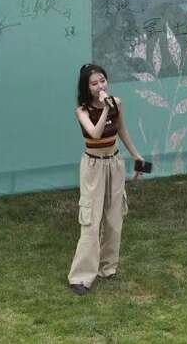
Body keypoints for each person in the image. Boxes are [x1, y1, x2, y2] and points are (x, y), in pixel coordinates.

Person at [68, 64, 145, 295]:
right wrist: (105, 109)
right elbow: (94, 133)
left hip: (114, 163)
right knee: (91, 220)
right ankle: (81, 277)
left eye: (102, 80)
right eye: (94, 83)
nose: (100, 86)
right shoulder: (82, 111)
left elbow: (121, 130)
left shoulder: (117, 103)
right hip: (93, 166)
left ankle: (108, 267)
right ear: (87, 88)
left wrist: (136, 155)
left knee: (114, 217)